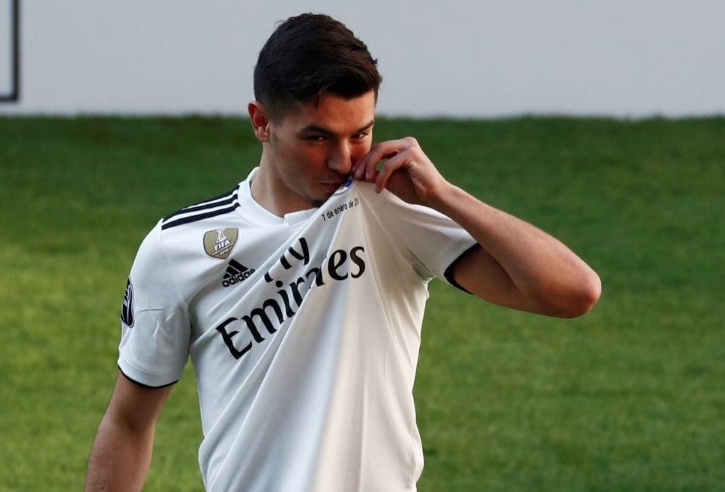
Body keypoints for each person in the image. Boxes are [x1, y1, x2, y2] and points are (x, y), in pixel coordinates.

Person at [85, 12, 601, 492]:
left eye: (361, 133)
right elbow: (129, 422)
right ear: (261, 122)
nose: (342, 159)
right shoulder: (178, 249)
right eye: (317, 137)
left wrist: (445, 195)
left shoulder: (390, 210)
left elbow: (574, 292)